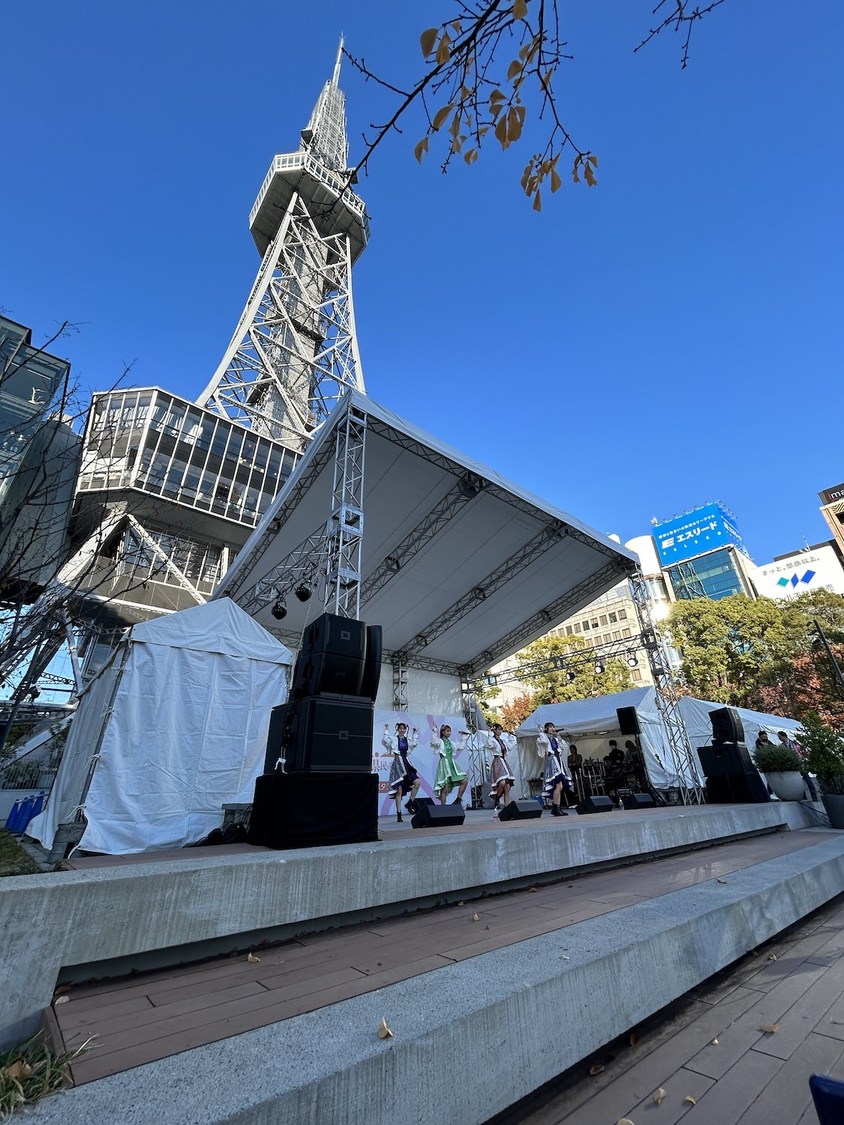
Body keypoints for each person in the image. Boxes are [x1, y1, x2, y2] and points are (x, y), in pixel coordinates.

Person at [382, 721, 420, 822]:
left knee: (417, 782)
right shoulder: (394, 739)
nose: (402, 730)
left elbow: (414, 743)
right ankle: (399, 814)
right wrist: (386, 729)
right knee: (399, 790)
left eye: (404, 728)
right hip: (398, 763)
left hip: (406, 762)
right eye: (400, 728)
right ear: (397, 729)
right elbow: (385, 739)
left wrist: (415, 733)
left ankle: (410, 803)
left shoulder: (407, 739)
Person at [536, 722, 571, 816]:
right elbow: (542, 742)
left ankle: (557, 807)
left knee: (560, 786)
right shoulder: (544, 738)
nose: (553, 729)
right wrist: (541, 732)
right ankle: (555, 807)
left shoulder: (555, 739)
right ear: (546, 729)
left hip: (558, 761)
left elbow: (563, 746)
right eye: (550, 727)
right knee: (558, 786)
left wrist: (558, 736)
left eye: (553, 727)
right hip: (552, 761)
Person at [430, 723, 469, 805]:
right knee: (445, 787)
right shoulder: (440, 741)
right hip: (444, 764)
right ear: (443, 732)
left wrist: (464, 736)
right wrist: (434, 731)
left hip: (452, 764)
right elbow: (433, 742)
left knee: (464, 780)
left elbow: (461, 746)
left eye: (450, 731)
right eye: (447, 731)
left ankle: (458, 799)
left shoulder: (451, 743)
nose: (449, 733)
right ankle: (443, 808)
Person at [488, 723, 517, 810]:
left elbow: (510, 746)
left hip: (503, 761)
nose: (500, 731)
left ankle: (507, 807)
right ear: (494, 730)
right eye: (498, 729)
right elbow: (489, 745)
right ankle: (497, 797)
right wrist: (489, 734)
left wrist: (511, 736)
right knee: (502, 782)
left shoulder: (503, 740)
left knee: (507, 786)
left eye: (501, 729)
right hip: (497, 761)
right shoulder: (492, 739)